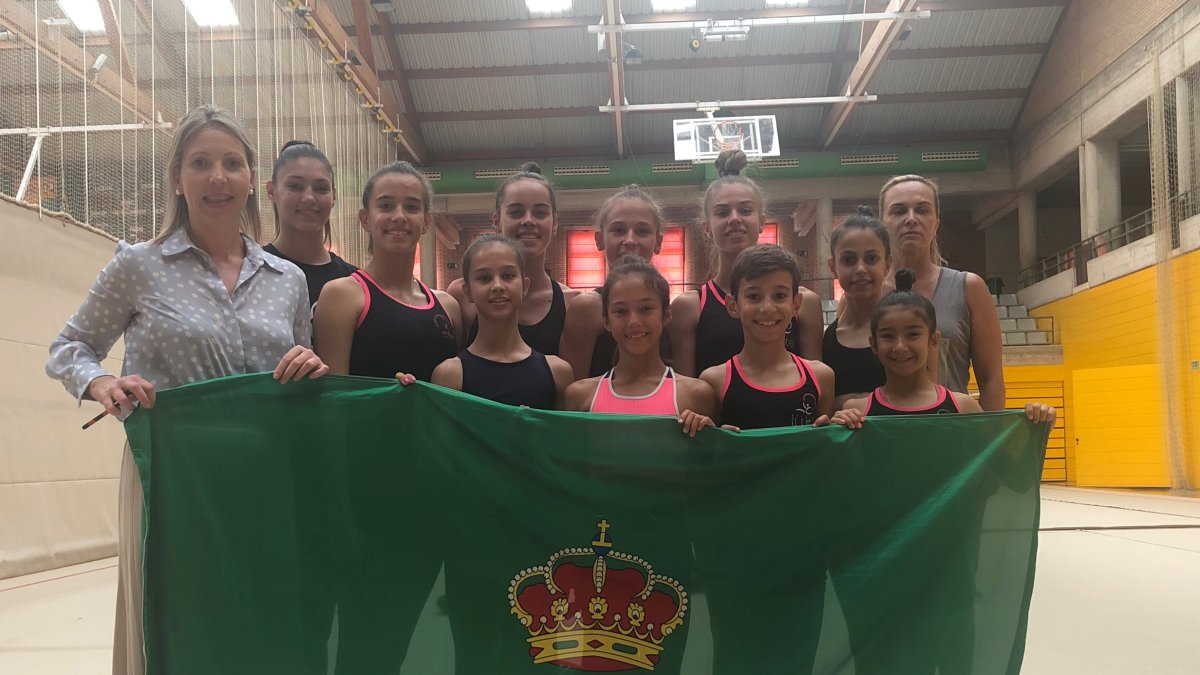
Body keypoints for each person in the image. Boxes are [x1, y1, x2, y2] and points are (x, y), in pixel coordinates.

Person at [44, 105, 328, 675]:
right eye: (200, 163)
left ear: (252, 179)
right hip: (173, 476)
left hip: (263, 478)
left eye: (231, 163)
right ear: (177, 177)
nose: (217, 177)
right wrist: (101, 381)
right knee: (178, 619)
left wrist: (310, 364)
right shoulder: (138, 266)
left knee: (260, 619)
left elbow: (300, 375)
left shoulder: (288, 280)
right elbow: (69, 346)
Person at [823, 269, 1053, 675]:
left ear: (934, 339)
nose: (900, 346)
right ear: (873, 345)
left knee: (953, 663)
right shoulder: (859, 413)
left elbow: (1008, 477)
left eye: (913, 334)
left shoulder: (963, 409)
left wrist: (1035, 428)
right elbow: (839, 493)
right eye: (888, 337)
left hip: (951, 573)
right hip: (883, 576)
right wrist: (830, 437)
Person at [670, 149, 823, 378]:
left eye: (745, 210)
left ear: (761, 222)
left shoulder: (804, 303)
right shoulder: (690, 308)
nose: (734, 219)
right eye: (722, 212)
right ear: (707, 228)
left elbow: (816, 383)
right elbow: (685, 390)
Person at [314, 161, 461, 382]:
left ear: (426, 221)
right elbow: (334, 395)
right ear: (365, 219)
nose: (399, 216)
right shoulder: (342, 296)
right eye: (386, 206)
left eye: (411, 207)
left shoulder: (448, 307)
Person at [878, 174, 1005, 410]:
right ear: (882, 224)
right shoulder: (868, 294)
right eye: (898, 211)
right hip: (884, 430)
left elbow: (991, 381)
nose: (911, 219)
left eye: (922, 210)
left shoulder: (970, 288)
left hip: (952, 429)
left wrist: (988, 432)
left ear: (936, 222)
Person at [563, 258, 716, 437]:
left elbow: (715, 452)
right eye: (621, 311)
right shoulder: (580, 397)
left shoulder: (696, 395)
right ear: (606, 321)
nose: (634, 322)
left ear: (666, 315)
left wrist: (716, 437)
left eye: (646, 309)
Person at [448, 163, 579, 358]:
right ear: (496, 221)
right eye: (516, 212)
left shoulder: (572, 305)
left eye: (540, 213)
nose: (528, 220)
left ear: (555, 223)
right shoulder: (461, 295)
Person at [699, 244, 835, 430]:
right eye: (754, 296)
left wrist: (844, 423)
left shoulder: (821, 377)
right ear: (733, 306)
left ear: (795, 305)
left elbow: (827, 441)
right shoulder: (713, 382)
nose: (767, 308)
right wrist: (710, 437)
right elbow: (705, 446)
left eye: (779, 296)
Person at [432, 234, 574, 408]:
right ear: (468, 292)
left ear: (525, 287)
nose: (497, 286)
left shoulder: (558, 373)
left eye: (508, 275)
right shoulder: (449, 376)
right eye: (484, 278)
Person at [559, 185, 666, 379]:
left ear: (658, 242)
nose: (630, 240)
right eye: (618, 230)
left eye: (642, 231)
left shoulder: (667, 309)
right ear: (600, 239)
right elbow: (573, 389)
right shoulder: (587, 308)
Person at [263, 140, 357, 307]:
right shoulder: (250, 273)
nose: (309, 198)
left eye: (321, 188)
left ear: (334, 196)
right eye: (295, 186)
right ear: (272, 191)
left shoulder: (354, 283)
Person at [823, 207, 890, 408]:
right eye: (848, 260)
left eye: (871, 259)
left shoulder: (905, 333)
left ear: (887, 265)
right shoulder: (825, 343)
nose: (860, 269)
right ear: (833, 267)